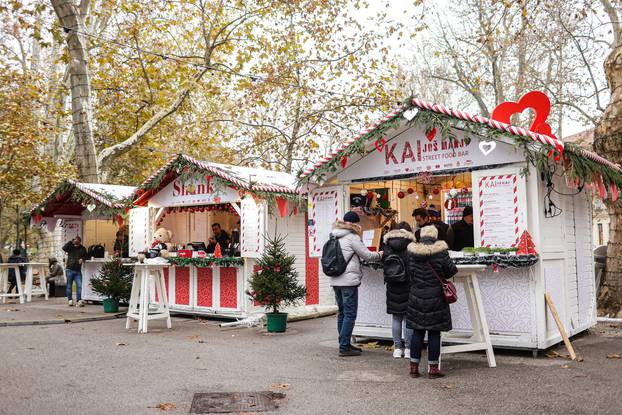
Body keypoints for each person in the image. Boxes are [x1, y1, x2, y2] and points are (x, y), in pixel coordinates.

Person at [406, 225, 458, 379]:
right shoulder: (441, 251)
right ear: (435, 236)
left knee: (417, 331)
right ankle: (433, 369)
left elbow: (409, 272)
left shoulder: (411, 252)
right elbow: (451, 271)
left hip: (416, 295)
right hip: (436, 296)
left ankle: (414, 368)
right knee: (434, 332)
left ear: (421, 236)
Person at [328, 211, 382, 357]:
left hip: (335, 279)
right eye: (357, 223)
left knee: (342, 313)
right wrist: (381, 254)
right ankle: (344, 347)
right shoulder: (352, 237)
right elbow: (367, 255)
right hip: (348, 281)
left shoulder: (333, 235)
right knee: (350, 314)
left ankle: (343, 343)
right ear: (353, 223)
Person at [382, 221, 416, 359]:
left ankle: (397, 349)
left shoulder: (387, 245)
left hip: (392, 284)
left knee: (396, 317)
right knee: (408, 318)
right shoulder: (411, 246)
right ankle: (408, 349)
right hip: (408, 284)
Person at [62, 236, 88, 307]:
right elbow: (64, 248)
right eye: (76, 241)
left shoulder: (82, 248)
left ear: (80, 241)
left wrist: (82, 258)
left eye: (78, 241)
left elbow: (86, 256)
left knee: (79, 286)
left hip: (78, 270)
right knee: (69, 286)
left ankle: (79, 300)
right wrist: (71, 241)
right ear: (74, 241)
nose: (77, 242)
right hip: (69, 269)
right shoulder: (70, 247)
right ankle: (70, 300)